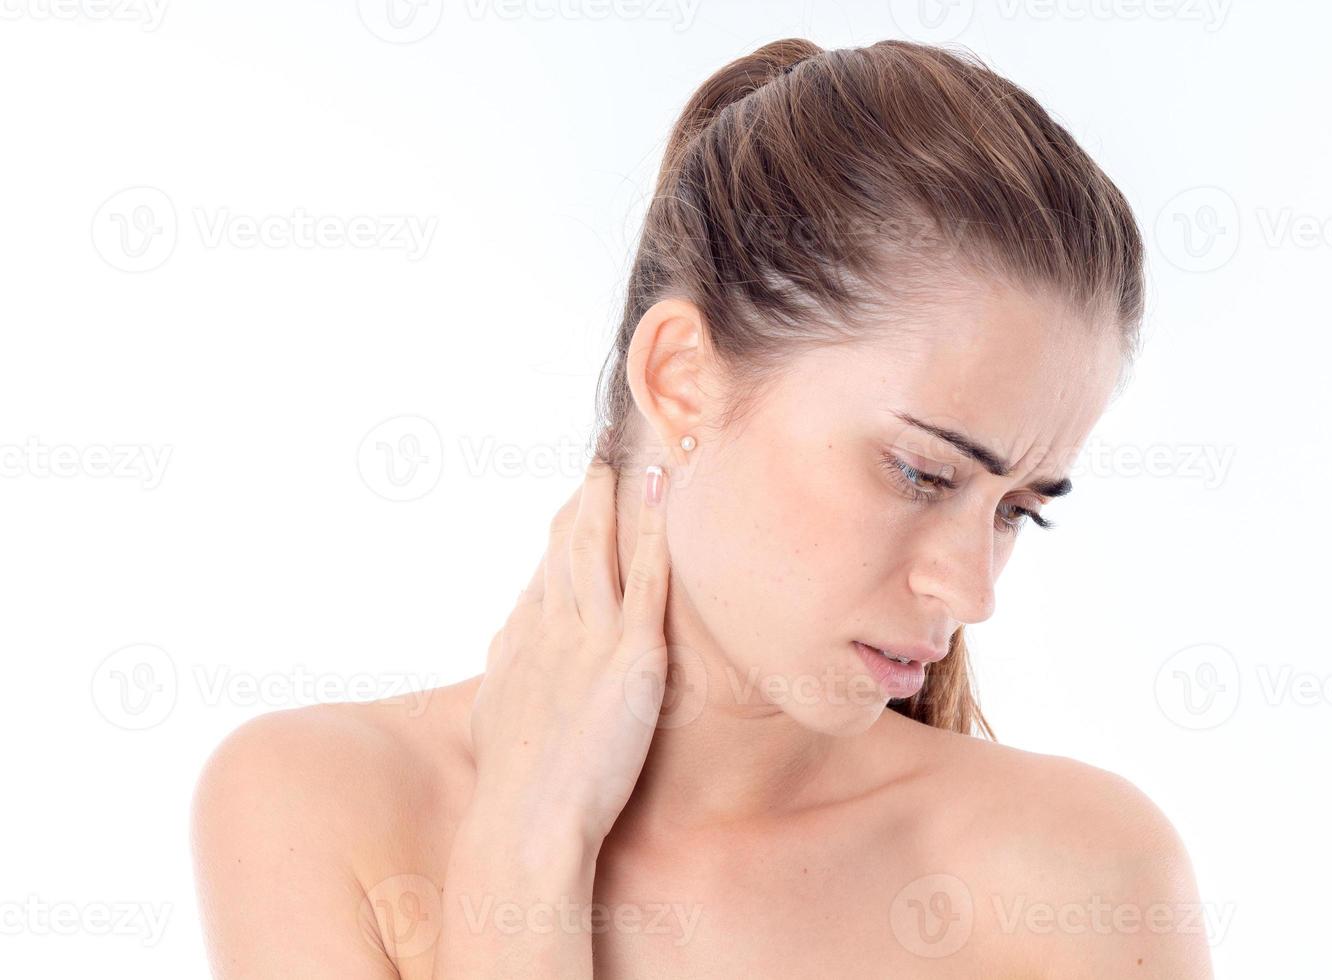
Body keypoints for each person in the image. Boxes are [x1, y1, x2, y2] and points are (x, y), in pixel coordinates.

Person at [191, 37, 1214, 978]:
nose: (971, 589)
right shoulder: (318, 805)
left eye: (1016, 508)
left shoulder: (1083, 876)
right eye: (919, 472)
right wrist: (529, 838)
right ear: (682, 377)